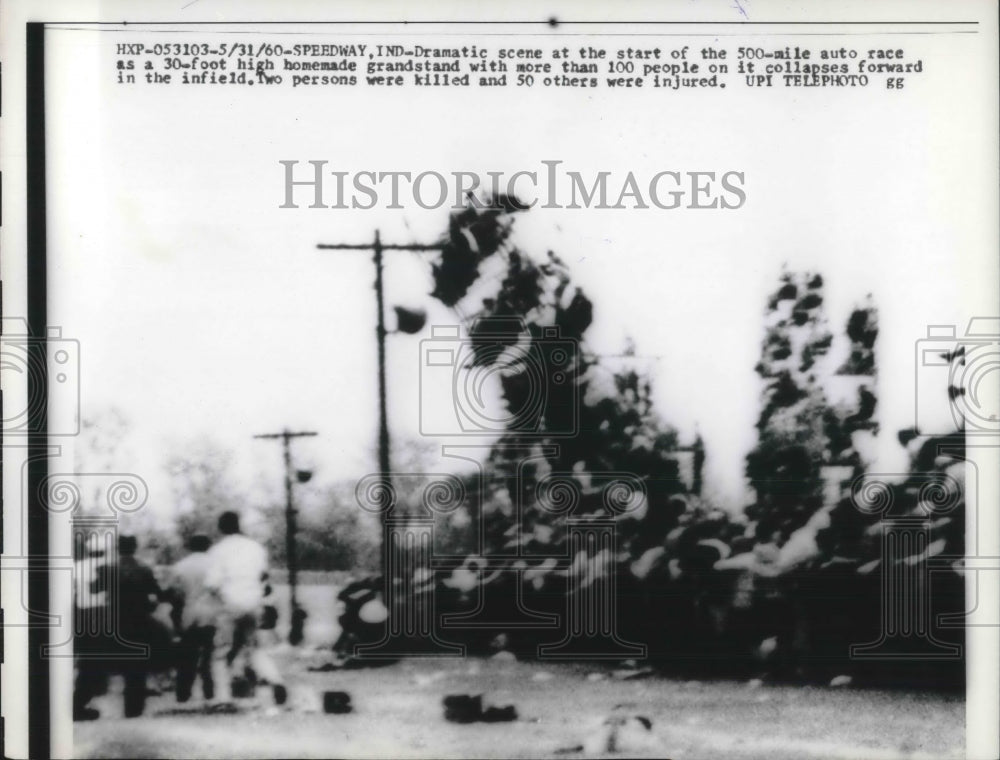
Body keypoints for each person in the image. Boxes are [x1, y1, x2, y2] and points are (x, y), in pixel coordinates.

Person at [204, 511, 286, 705]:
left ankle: (223, 697)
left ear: (220, 527)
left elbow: (212, 583)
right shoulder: (255, 548)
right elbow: (263, 576)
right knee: (254, 648)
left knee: (221, 651)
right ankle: (275, 680)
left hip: (230, 602)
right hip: (253, 602)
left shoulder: (218, 550)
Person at [113, 534, 165, 718]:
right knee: (139, 662)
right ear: (135, 547)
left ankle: (128, 705)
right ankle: (136, 706)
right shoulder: (144, 569)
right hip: (140, 619)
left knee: (124, 661)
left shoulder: (111, 569)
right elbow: (158, 594)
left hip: (117, 620)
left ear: (117, 547)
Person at [168, 534, 217, 703]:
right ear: (208, 545)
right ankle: (209, 691)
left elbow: (175, 594)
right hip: (211, 611)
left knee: (187, 654)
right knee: (209, 653)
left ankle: (183, 693)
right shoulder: (215, 564)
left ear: (190, 546)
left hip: (189, 610)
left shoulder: (181, 566)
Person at [73, 533, 113, 721]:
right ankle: (86, 697)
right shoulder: (107, 567)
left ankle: (85, 695)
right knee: (98, 658)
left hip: (81, 614)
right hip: (101, 613)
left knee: (86, 657)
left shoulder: (77, 567)